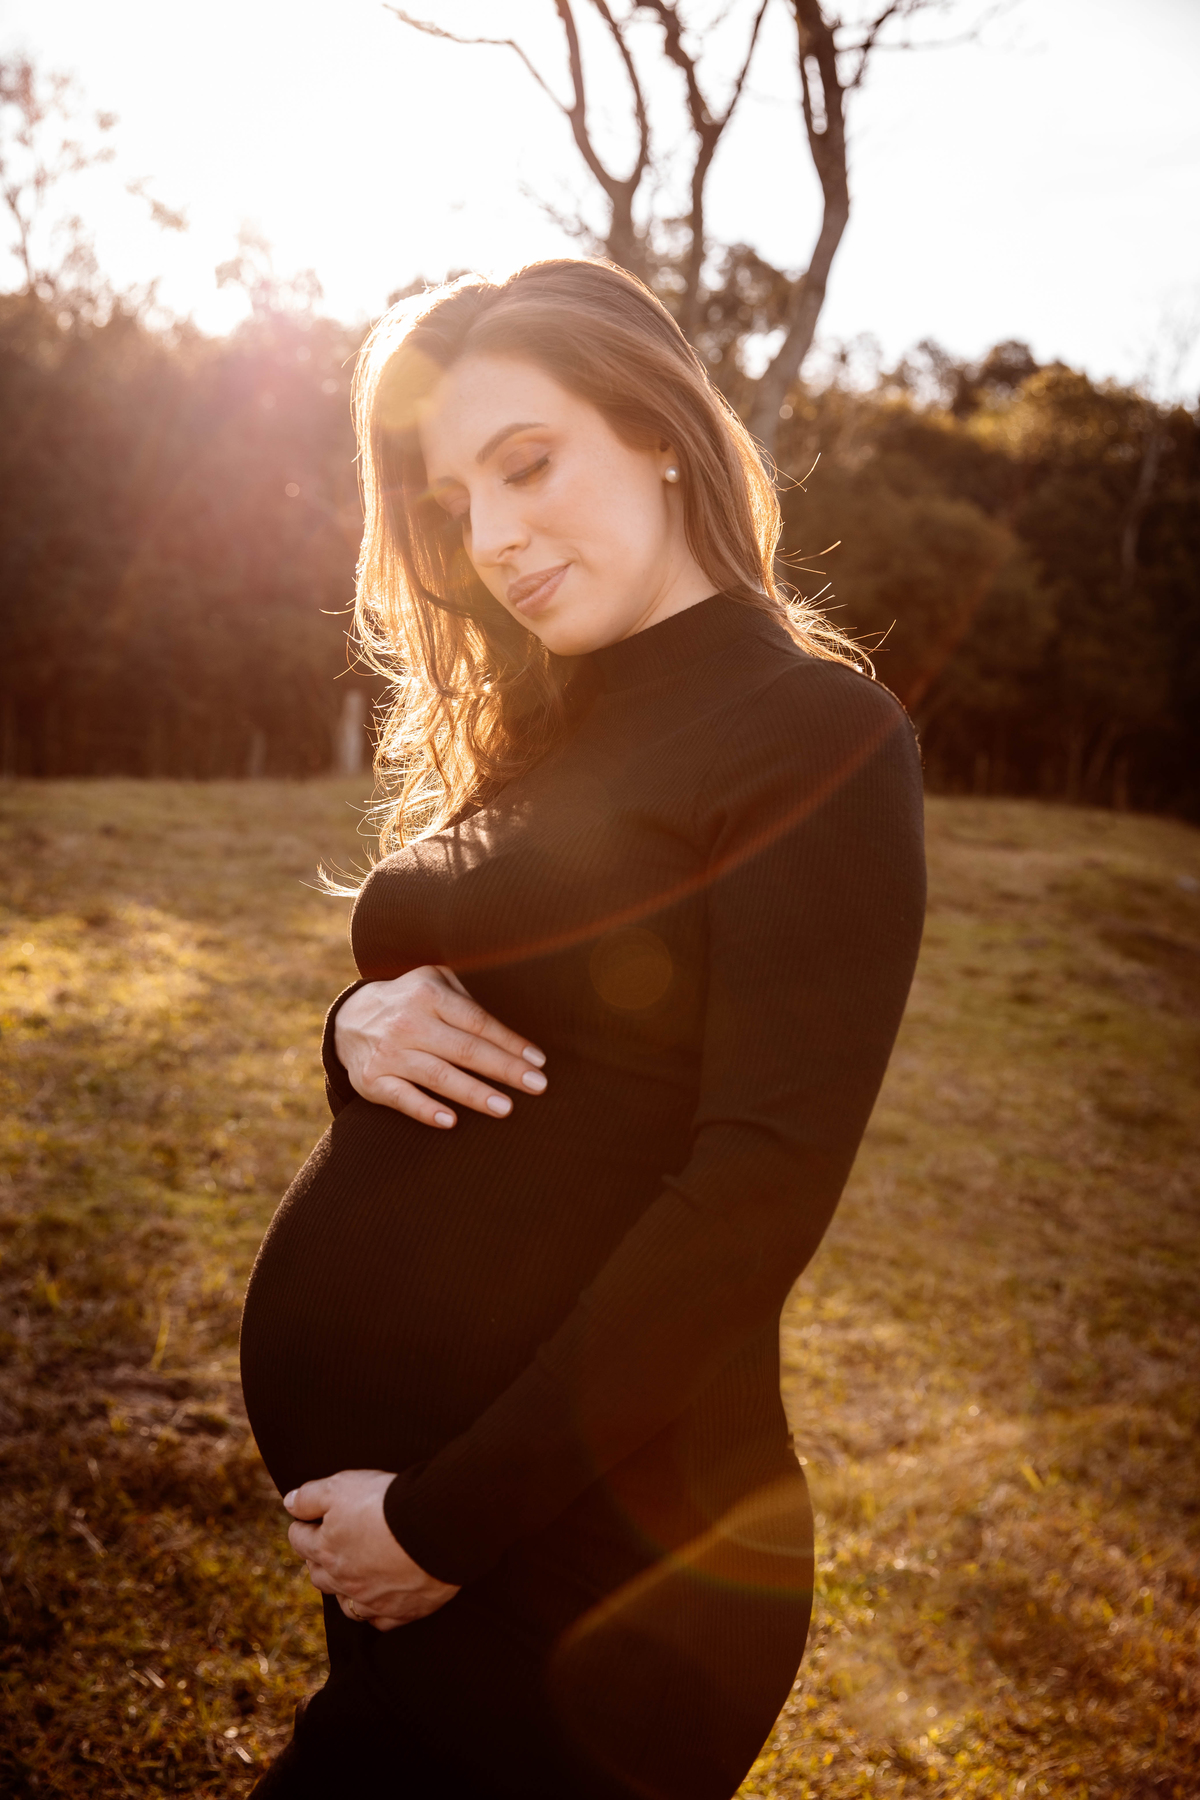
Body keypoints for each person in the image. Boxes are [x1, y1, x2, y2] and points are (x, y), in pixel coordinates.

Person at [240, 258, 925, 1799]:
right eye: (454, 501)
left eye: (528, 465)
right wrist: (353, 1025)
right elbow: (517, 1014)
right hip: (435, 1550)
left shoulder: (815, 735)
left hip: (601, 1572)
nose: (493, 539)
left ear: (660, 426)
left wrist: (446, 1522)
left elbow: (755, 1197)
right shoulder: (551, 722)